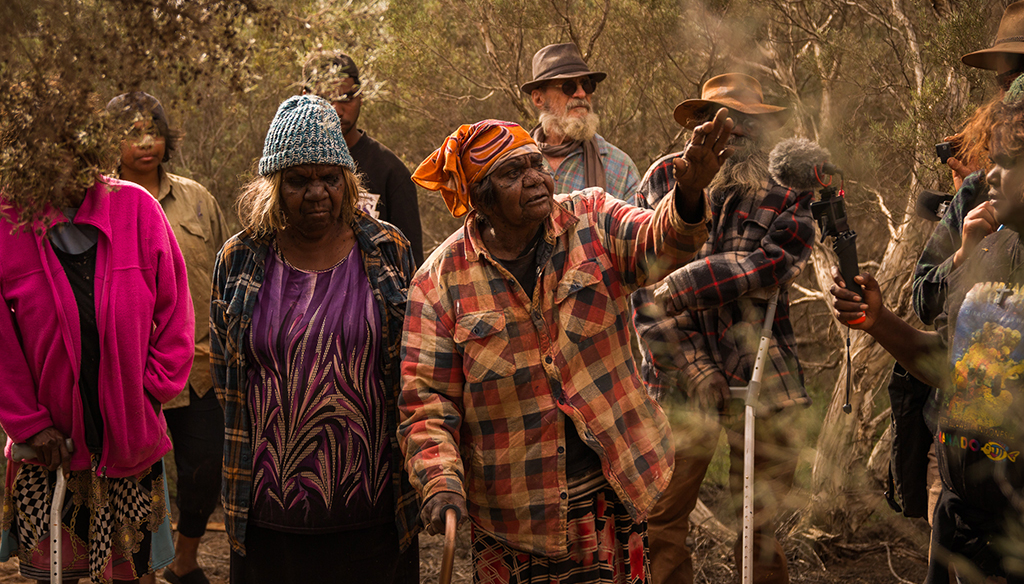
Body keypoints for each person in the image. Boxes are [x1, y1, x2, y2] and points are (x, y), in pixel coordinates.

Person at [398, 112, 734, 583]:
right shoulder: (438, 283)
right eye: (512, 174)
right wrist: (439, 481)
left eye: (535, 164)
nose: (536, 178)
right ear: (481, 199)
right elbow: (426, 403)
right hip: (515, 518)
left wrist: (690, 197)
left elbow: (660, 244)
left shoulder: (593, 219)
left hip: (614, 491)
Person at [209, 94, 419, 584]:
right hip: (268, 516)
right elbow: (228, 378)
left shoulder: (388, 250)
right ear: (275, 188)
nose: (317, 192)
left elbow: (411, 367)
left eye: (329, 178)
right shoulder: (240, 259)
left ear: (347, 181)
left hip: (373, 511)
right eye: (299, 181)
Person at [831, 77, 1024, 584]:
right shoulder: (990, 249)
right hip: (963, 521)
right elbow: (951, 365)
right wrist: (878, 323)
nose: (993, 177)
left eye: (1011, 165)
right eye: (995, 161)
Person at [632, 73, 814, 584]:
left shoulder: (793, 189)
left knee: (760, 524)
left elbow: (771, 264)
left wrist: (681, 284)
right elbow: (645, 281)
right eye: (719, 122)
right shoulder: (664, 179)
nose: (733, 133)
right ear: (697, 127)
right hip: (674, 378)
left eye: (746, 123)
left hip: (766, 374)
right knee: (660, 518)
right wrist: (694, 365)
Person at [0, 112, 195, 582]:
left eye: (77, 145)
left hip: (131, 441)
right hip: (49, 449)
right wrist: (30, 423)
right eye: (52, 151)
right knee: (56, 575)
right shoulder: (8, 222)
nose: (68, 161)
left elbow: (175, 310)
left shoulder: (136, 208)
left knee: (133, 573)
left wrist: (150, 391)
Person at [105, 91, 229, 584]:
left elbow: (227, 266)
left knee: (203, 470)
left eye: (153, 132)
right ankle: (144, 569)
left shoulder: (196, 199)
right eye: (133, 133)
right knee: (138, 477)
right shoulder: (102, 203)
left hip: (199, 366)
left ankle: (184, 560)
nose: (145, 143)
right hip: (132, 373)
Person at [301, 50, 425, 265]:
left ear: (361, 97)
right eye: (324, 99)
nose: (336, 109)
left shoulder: (391, 172)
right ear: (304, 97)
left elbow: (411, 266)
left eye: (346, 98)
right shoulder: (288, 168)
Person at [522, 43, 641, 202]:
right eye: (568, 86)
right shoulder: (517, 162)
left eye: (587, 84)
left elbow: (639, 226)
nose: (581, 93)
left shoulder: (620, 167)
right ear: (538, 98)